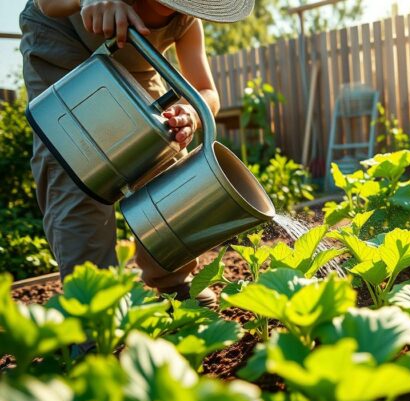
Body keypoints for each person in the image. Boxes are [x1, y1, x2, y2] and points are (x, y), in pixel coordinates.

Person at [19, 0, 254, 307]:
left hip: (139, 61)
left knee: (165, 152)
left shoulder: (185, 22)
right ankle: (93, 306)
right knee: (78, 165)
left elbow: (206, 91)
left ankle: (174, 281)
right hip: (63, 44)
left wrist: (193, 114)